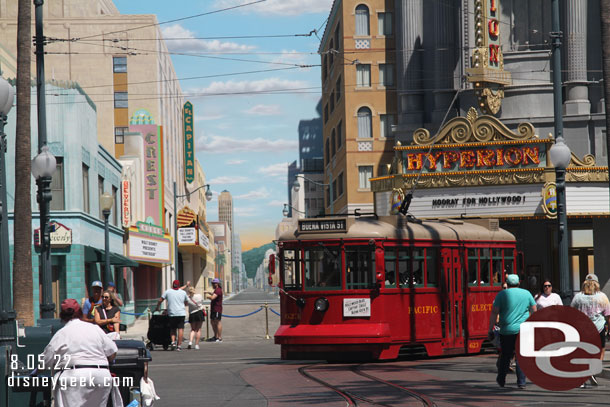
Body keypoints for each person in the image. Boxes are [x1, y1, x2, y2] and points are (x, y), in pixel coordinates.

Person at [42, 299, 122, 406]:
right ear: (79, 312)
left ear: (62, 315)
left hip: (74, 376)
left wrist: (36, 371)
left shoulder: (61, 333)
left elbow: (46, 359)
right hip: (101, 376)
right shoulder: (95, 329)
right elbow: (112, 352)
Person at [488, 274, 536, 389]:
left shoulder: (502, 294)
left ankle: (501, 379)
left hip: (506, 330)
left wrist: (490, 328)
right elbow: (534, 309)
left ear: (507, 284)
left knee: (505, 356)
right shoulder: (526, 293)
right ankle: (521, 382)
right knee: (521, 356)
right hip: (523, 330)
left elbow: (494, 312)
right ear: (519, 283)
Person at [570, 273, 610, 387]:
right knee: (601, 349)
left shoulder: (578, 296)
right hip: (598, 328)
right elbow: (608, 314)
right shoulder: (602, 296)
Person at [155, 279, 189, 351]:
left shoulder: (168, 291)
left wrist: (157, 307)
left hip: (172, 313)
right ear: (179, 285)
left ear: (172, 285)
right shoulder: (183, 292)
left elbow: (160, 300)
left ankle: (173, 342)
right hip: (181, 313)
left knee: (173, 329)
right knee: (180, 329)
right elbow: (186, 302)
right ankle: (179, 346)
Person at [206, 278, 223, 342]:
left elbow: (213, 297)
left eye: (214, 283)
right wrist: (209, 292)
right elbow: (214, 294)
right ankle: (215, 336)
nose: (212, 284)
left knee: (217, 322)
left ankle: (219, 337)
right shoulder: (216, 290)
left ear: (217, 284)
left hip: (217, 309)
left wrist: (208, 297)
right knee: (212, 322)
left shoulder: (218, 290)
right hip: (213, 309)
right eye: (212, 283)